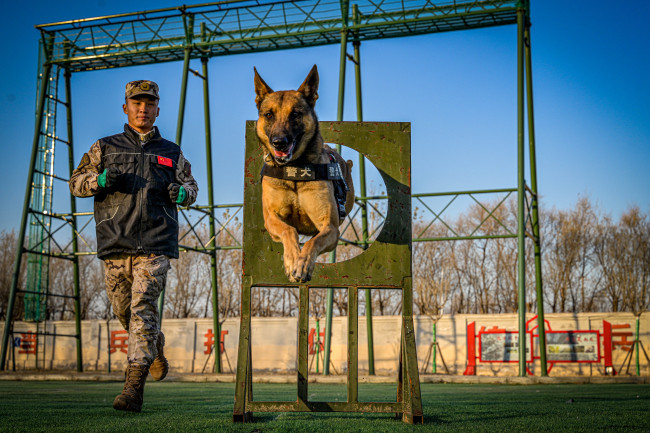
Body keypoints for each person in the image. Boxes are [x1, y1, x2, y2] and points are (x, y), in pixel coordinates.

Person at [69, 80, 198, 412]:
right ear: (125, 107)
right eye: (136, 103)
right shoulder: (105, 147)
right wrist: (98, 181)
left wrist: (181, 194)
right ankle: (154, 344)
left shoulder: (172, 152)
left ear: (158, 109)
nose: (143, 109)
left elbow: (191, 187)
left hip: (156, 244)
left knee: (142, 309)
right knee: (124, 311)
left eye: (149, 103)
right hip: (115, 244)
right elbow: (75, 183)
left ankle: (132, 389)